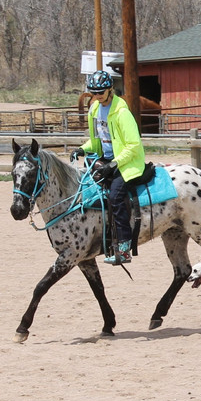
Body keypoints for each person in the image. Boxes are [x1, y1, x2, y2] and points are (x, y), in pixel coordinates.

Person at [81, 70, 147, 265]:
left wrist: (114, 163)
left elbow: (133, 146)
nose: (98, 96)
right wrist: (81, 149)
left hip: (127, 163)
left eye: (101, 92)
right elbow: (96, 143)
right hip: (106, 161)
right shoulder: (94, 110)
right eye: (94, 93)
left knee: (115, 197)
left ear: (110, 90)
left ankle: (124, 247)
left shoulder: (122, 113)